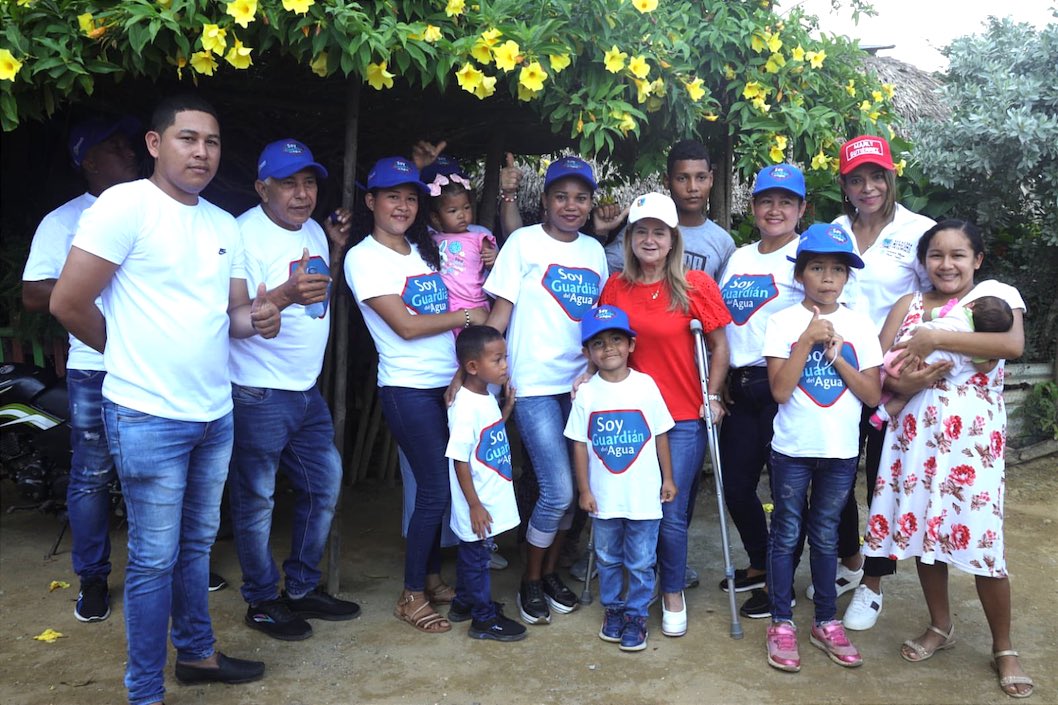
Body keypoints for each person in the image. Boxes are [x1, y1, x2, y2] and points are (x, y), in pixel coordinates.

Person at [49, 94, 274, 705]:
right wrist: (124, 356)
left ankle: (197, 655)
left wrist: (265, 316)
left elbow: (231, 317)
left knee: (196, 549)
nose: (202, 152)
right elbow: (66, 302)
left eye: (212, 142)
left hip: (214, 414)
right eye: (188, 139)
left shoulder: (224, 224)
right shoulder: (127, 206)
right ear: (155, 144)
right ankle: (144, 691)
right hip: (147, 414)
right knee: (153, 560)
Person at [862, 220, 1033, 698]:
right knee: (923, 537)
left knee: (983, 543)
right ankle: (941, 626)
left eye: (958, 255)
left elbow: (1009, 345)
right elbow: (880, 372)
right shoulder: (908, 305)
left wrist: (932, 339)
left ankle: (1004, 646)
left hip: (972, 445)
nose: (946, 264)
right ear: (923, 262)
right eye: (936, 255)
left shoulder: (995, 298)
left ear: (977, 259)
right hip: (914, 438)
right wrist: (907, 382)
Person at [344, 156, 489, 634]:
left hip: (444, 385)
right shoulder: (363, 258)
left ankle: (430, 578)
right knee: (432, 490)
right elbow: (405, 326)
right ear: (371, 202)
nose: (402, 206)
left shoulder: (422, 250)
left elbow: (466, 267)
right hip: (407, 389)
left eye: (410, 197)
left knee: (439, 488)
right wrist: (470, 319)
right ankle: (410, 596)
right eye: (392, 196)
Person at [227, 138, 359, 642]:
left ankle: (301, 589)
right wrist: (275, 302)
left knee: (324, 484)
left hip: (306, 390)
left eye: (308, 183)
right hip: (258, 391)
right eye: (288, 183)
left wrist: (335, 245)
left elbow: (315, 301)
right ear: (263, 188)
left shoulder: (314, 234)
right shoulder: (241, 236)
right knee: (256, 498)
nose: (302, 193)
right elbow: (236, 320)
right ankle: (261, 601)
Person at [481, 156, 610, 626]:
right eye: (561, 196)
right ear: (546, 200)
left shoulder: (595, 253)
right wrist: (475, 373)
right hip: (533, 385)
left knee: (579, 490)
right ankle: (530, 581)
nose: (571, 206)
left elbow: (597, 326)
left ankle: (552, 573)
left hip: (579, 387)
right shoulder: (522, 243)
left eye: (580, 197)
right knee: (556, 490)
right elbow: (500, 314)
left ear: (590, 202)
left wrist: (597, 372)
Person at [21, 114, 140, 623]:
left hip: (152, 366)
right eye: (115, 147)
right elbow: (33, 292)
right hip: (96, 366)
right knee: (92, 476)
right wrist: (91, 287)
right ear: (89, 161)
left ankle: (172, 569)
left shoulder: (154, 209)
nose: (131, 154)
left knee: (153, 472)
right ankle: (92, 579)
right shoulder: (65, 220)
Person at [597, 192, 731, 637]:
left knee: (669, 510)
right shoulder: (616, 286)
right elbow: (605, 342)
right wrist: (587, 378)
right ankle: (637, 584)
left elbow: (719, 346)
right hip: (629, 418)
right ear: (630, 238)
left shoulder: (697, 286)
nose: (649, 240)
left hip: (681, 416)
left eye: (658, 232)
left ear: (673, 239)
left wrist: (712, 395)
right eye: (641, 231)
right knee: (630, 505)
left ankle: (671, 590)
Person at [817, 134, 936, 630]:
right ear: (844, 186)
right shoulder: (833, 230)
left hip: (894, 383)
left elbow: (941, 300)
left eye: (876, 177)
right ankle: (850, 563)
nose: (867, 187)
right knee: (834, 476)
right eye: (856, 179)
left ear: (891, 178)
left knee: (882, 482)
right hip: (835, 375)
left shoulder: (920, 231)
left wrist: (903, 371)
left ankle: (874, 583)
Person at [761, 223, 882, 672]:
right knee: (787, 532)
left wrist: (835, 355)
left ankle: (826, 621)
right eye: (817, 268)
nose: (828, 278)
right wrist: (807, 342)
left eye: (837, 269)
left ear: (848, 278)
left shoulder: (860, 325)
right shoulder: (782, 322)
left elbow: (871, 395)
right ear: (800, 275)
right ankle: (781, 621)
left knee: (827, 533)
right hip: (792, 448)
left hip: (840, 451)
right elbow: (779, 390)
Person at [715, 164, 807, 619]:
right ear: (752, 207)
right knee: (736, 487)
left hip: (780, 388)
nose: (775, 210)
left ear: (801, 209)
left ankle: (780, 584)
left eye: (786, 201)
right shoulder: (740, 257)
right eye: (766, 201)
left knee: (788, 490)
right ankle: (760, 563)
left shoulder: (804, 258)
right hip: (738, 386)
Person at [566, 305, 676, 652]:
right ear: (588, 353)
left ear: (631, 344)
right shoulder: (587, 393)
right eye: (598, 343)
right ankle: (613, 609)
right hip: (604, 495)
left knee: (641, 561)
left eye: (616, 339)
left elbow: (660, 433)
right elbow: (580, 444)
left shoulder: (646, 385)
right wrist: (584, 489)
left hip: (644, 495)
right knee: (608, 557)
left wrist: (668, 479)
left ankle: (637, 614)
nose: (608, 348)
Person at [444, 325, 525, 641]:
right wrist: (475, 505)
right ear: (473, 366)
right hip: (477, 501)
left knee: (473, 555)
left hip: (487, 495)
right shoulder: (465, 407)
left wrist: (505, 411)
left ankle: (464, 604)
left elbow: (485, 437)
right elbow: (460, 458)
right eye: (497, 359)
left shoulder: (484, 396)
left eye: (504, 358)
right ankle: (483, 620)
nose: (505, 365)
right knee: (477, 560)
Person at [869, 295, 1012, 429]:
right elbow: (984, 367)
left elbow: (926, 315)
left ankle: (882, 392)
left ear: (971, 305)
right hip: (917, 368)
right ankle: (880, 416)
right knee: (905, 396)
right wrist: (994, 359)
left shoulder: (954, 310)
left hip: (896, 354)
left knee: (892, 378)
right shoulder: (974, 343)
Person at [603, 139, 736, 281]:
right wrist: (600, 233)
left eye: (701, 178)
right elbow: (601, 272)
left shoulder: (723, 242)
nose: (693, 187)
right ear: (667, 180)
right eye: (682, 178)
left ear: (711, 179)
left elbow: (722, 297)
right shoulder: (644, 229)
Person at [425, 167, 497, 319]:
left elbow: (494, 269)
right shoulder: (432, 240)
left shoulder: (479, 238)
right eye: (453, 211)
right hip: (446, 305)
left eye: (466, 208)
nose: (462, 215)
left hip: (475, 303)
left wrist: (493, 260)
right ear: (436, 218)